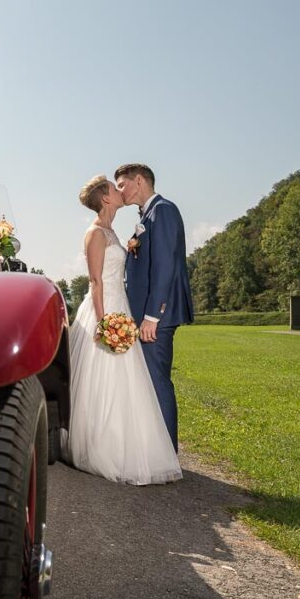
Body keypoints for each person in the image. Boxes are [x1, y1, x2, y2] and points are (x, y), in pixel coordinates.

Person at [64, 175, 182, 485]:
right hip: (106, 310)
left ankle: (138, 445)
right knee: (105, 378)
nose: (120, 191)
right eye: (114, 189)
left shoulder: (113, 232)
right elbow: (95, 281)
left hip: (122, 307)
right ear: (105, 199)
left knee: (130, 381)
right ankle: (106, 447)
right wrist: (105, 322)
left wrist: (131, 252)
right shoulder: (95, 234)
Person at [115, 163, 194, 452]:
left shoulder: (163, 211)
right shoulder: (148, 215)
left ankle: (166, 454)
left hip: (156, 317)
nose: (120, 191)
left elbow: (165, 266)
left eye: (122, 185)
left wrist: (152, 316)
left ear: (139, 181)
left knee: (158, 382)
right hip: (146, 315)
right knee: (148, 381)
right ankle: (154, 450)